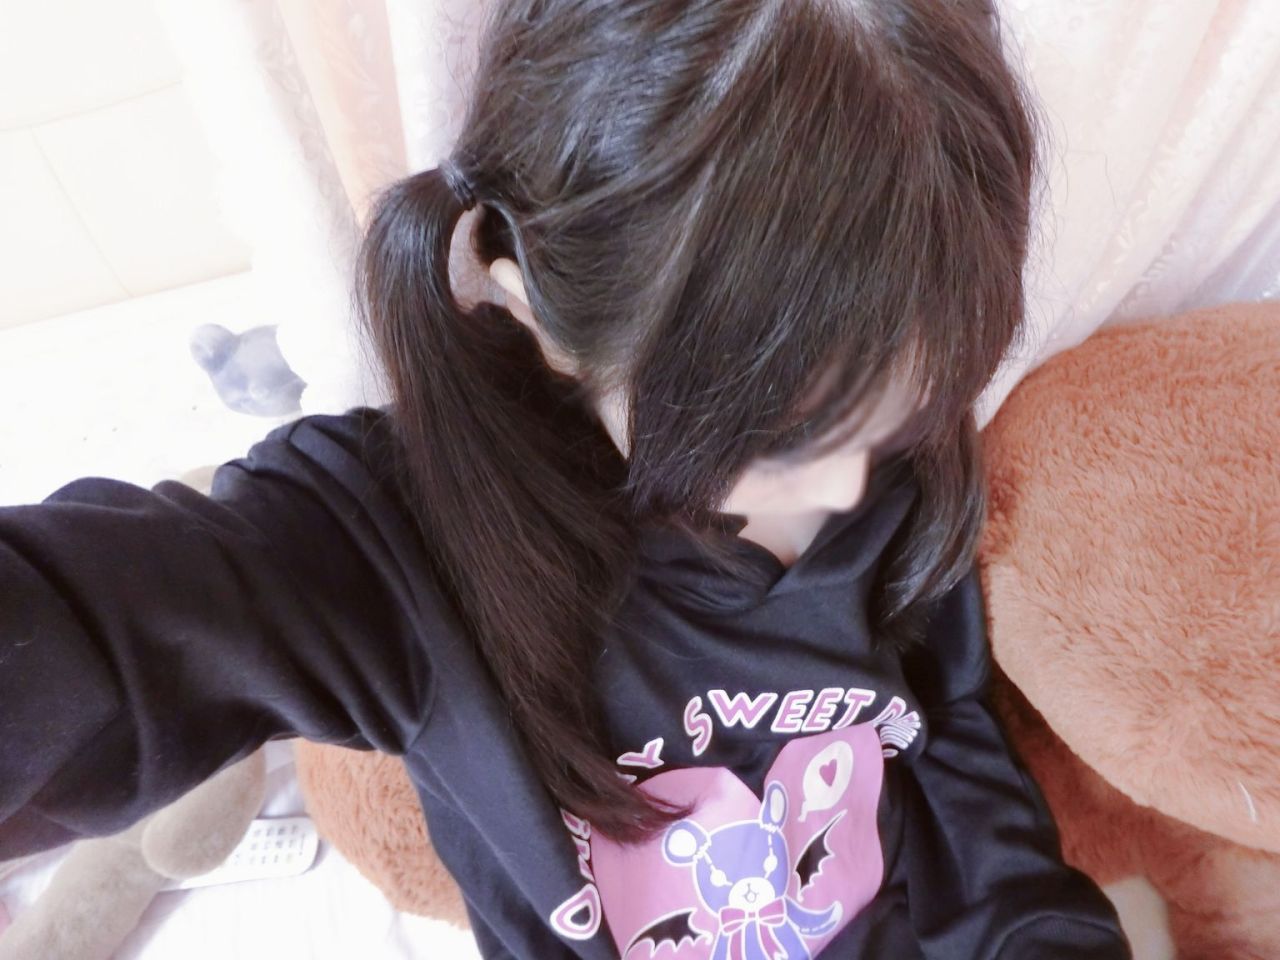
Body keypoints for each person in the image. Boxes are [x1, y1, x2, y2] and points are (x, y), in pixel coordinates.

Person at [0, 1, 1133, 957]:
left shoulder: (898, 462)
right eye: (776, 435)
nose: (846, 493)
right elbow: (100, 634)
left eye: (897, 418)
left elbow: (945, 741)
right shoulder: (405, 541)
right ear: (530, 300)